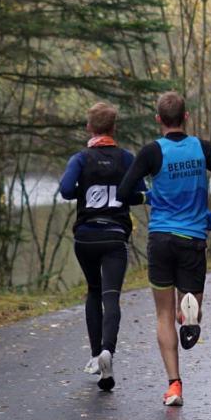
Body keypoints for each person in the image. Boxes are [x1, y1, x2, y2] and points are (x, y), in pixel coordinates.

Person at [116, 91, 211, 407]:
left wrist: (148, 198)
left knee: (163, 314)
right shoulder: (202, 149)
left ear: (159, 120)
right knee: (189, 308)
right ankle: (191, 317)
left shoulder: (152, 152)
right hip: (193, 239)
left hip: (160, 240)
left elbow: (124, 191)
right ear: (186, 117)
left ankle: (174, 386)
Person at [59, 102, 145, 391]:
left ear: (89, 127)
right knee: (112, 296)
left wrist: (87, 186)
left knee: (93, 292)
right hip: (114, 237)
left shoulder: (80, 159)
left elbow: (66, 190)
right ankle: (108, 351)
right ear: (114, 128)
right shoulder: (127, 158)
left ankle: (97, 357)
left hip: (85, 237)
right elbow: (138, 194)